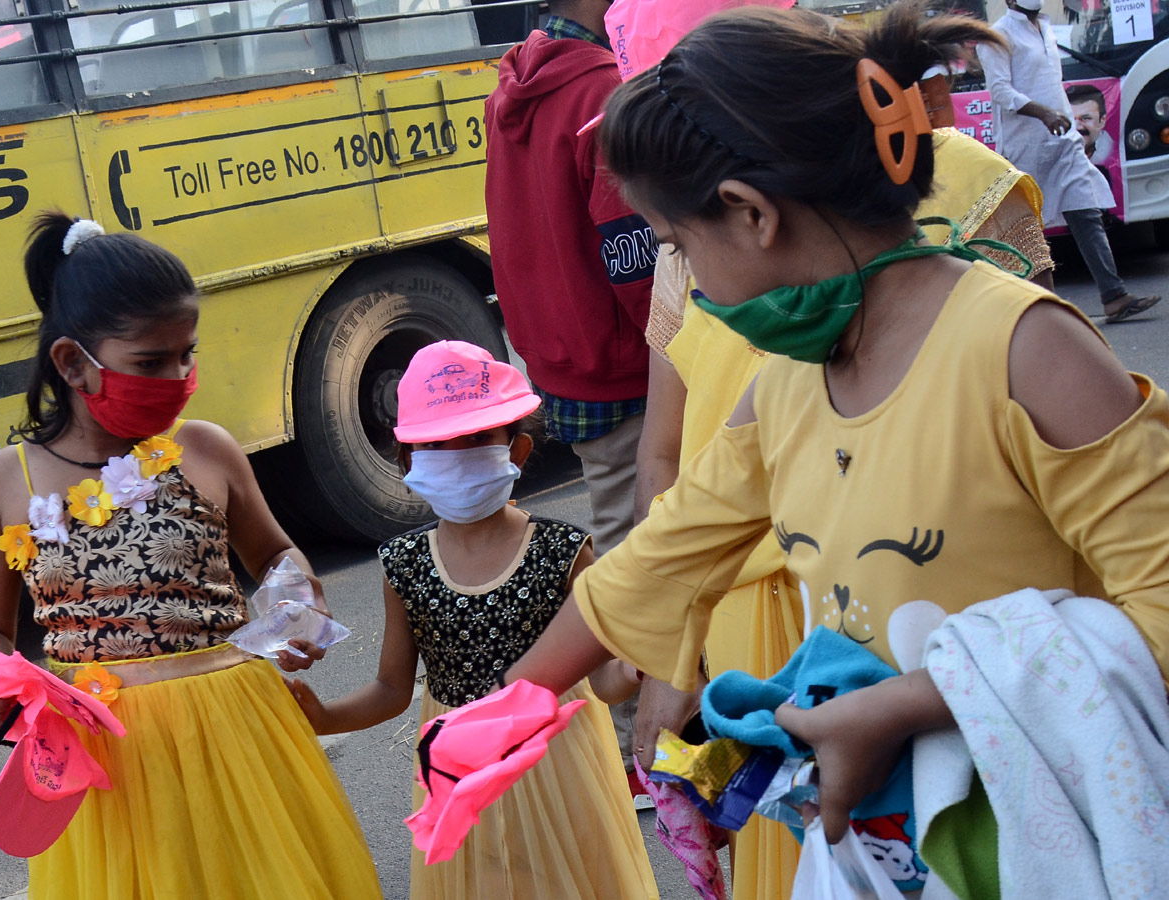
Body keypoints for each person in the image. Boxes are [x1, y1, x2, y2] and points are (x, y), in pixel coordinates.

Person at [497, 2, 1169, 894]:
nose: (686, 280)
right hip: (900, 851)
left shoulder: (1025, 350)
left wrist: (901, 708)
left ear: (750, 214)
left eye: (680, 246)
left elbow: (1161, 612)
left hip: (1052, 844)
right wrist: (510, 706)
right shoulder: (785, 385)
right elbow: (664, 554)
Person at [0, 213, 383, 899]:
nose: (180, 375)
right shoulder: (4, 482)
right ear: (73, 362)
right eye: (152, 362)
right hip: (103, 766)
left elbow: (276, 554)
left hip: (238, 739)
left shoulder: (207, 449)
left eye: (188, 352)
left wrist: (296, 598)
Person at [288, 340, 658, 900]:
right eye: (438, 444)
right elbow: (392, 687)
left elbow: (603, 675)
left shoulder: (561, 549)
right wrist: (325, 716)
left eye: (477, 438)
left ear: (518, 449)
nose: (457, 453)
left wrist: (637, 667)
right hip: (458, 768)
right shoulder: (404, 565)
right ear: (408, 460)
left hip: (559, 761)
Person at [484, 0, 657, 781]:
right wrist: (671, 338)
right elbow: (630, 251)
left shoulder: (517, 79)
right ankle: (635, 741)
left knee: (621, 531)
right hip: (623, 353)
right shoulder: (600, 90)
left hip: (559, 351)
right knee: (638, 549)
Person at [978, 0, 1160, 323]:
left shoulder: (1047, 29)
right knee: (1027, 227)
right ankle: (1029, 310)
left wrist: (1059, 115)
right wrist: (1043, 113)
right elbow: (1001, 92)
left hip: (1063, 140)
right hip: (1025, 146)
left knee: (1085, 209)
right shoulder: (997, 36)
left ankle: (1114, 296)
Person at [1065, 81, 1114, 164]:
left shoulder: (1112, 152)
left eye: (1085, 118)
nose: (1077, 126)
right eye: (1070, 119)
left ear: (1102, 121)